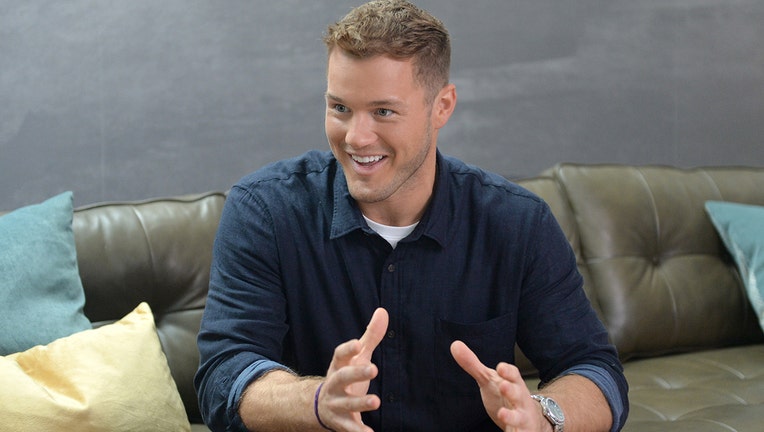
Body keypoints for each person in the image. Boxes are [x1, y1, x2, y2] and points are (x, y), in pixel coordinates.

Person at [195, 1, 628, 431]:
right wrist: (316, 401)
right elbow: (225, 373)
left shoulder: (518, 223)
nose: (356, 137)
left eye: (383, 111)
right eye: (340, 108)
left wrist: (544, 417)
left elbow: (593, 369)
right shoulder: (264, 211)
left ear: (442, 106)